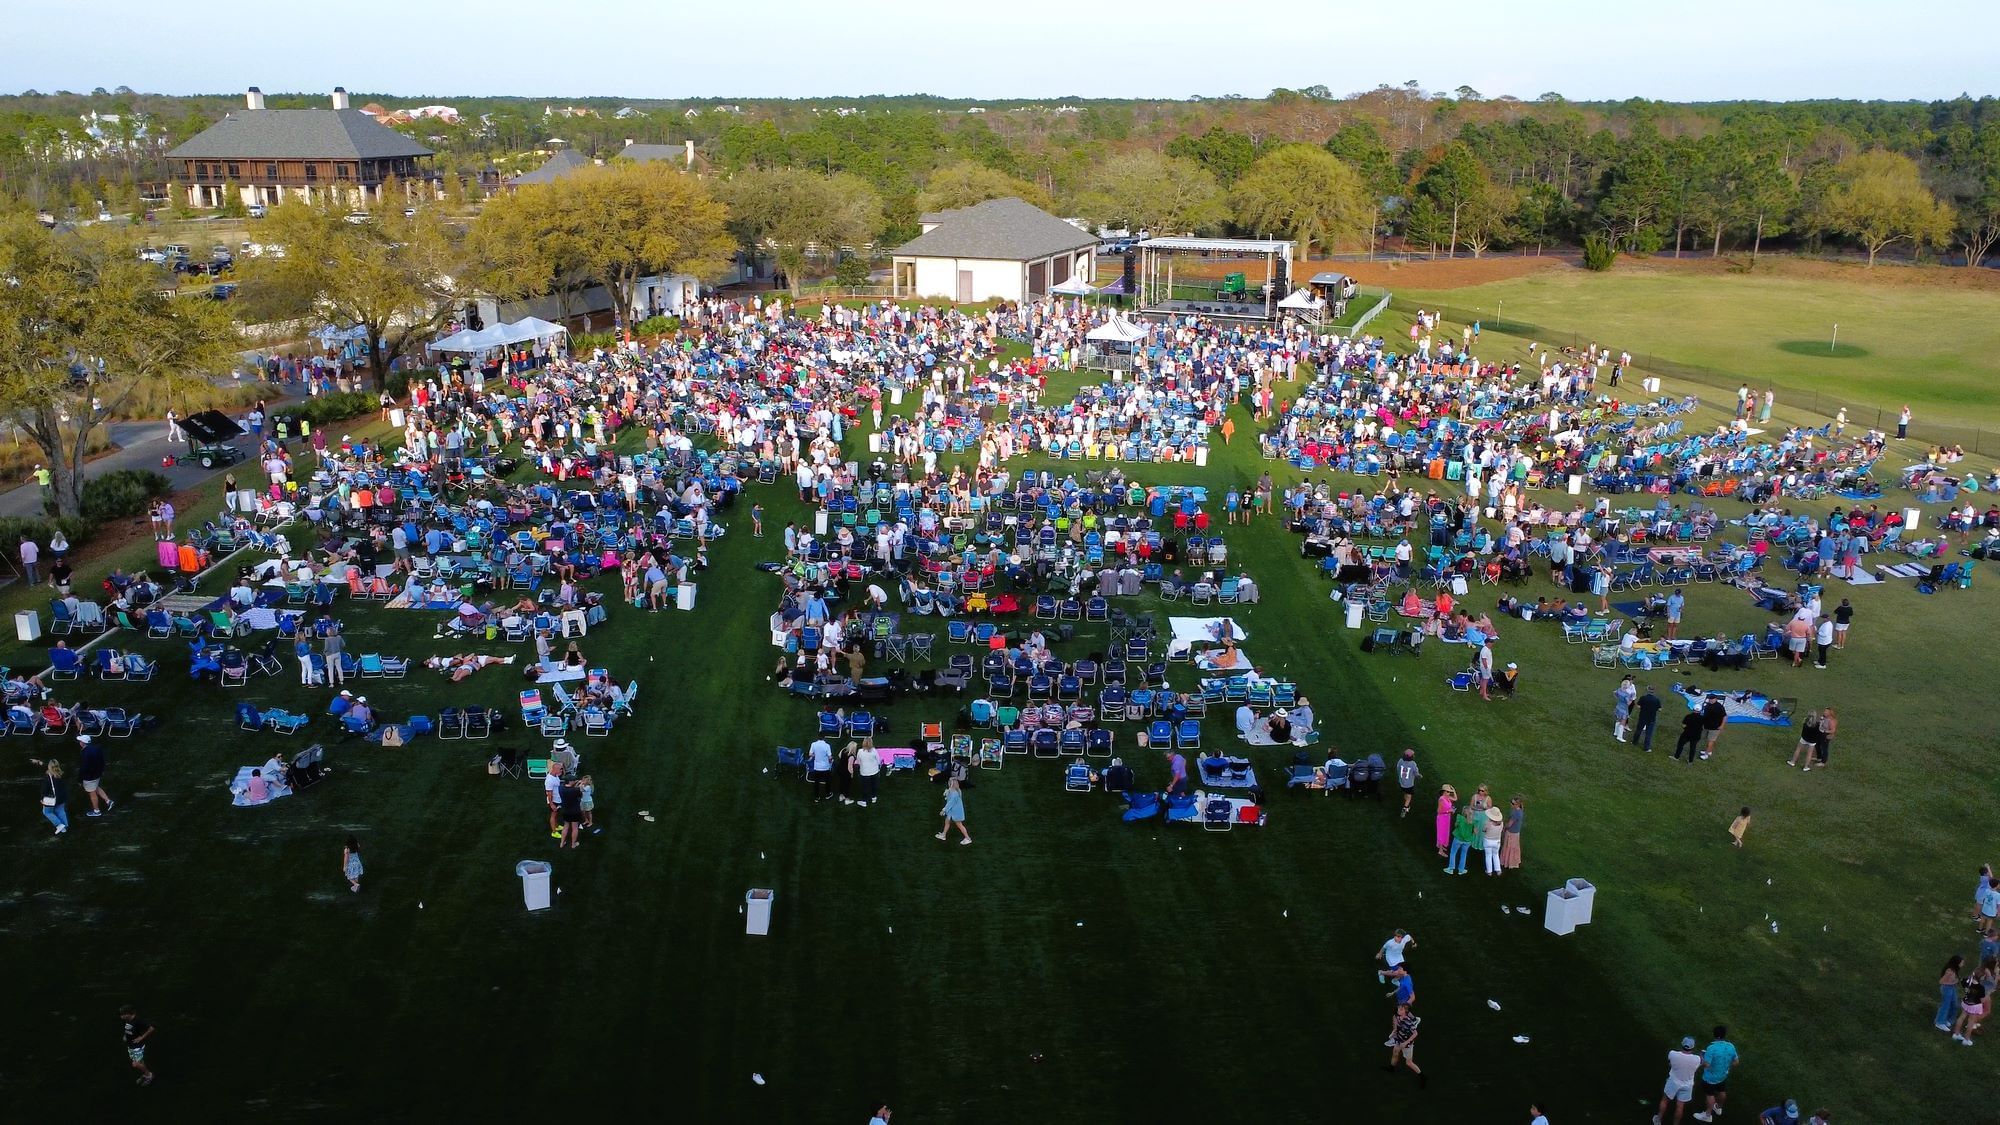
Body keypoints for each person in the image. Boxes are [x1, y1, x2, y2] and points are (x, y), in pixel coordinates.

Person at [1691, 1025, 1738, 1121]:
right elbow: (1736, 1062)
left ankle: (1707, 1115)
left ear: (1714, 1034)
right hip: (1723, 1075)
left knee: (1710, 1095)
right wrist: (1726, 1066)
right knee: (1722, 1091)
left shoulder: (1711, 1048)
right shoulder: (1731, 1046)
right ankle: (1719, 1108)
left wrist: (1701, 1056)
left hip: (1710, 1077)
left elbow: (1707, 1064)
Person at [1655, 1035, 1703, 1125]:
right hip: (1687, 1085)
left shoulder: (1672, 1054)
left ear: (1682, 1044)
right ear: (1693, 1047)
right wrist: (1701, 1056)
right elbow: (1700, 1063)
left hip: (1673, 1082)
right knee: (1680, 1106)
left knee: (1665, 1100)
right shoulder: (1697, 1059)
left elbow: (1670, 1064)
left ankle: (1658, 1119)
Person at [1383, 1002, 1423, 1085]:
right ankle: (1391, 1068)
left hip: (1407, 1044)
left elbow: (1415, 1034)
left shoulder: (1408, 1022)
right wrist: (1392, 1034)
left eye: (1401, 1009)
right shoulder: (1398, 1017)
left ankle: (1422, 1077)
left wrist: (1405, 1043)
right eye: (1398, 1008)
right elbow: (1397, 1028)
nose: (1398, 1010)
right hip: (1399, 1040)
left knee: (1409, 1063)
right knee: (1395, 1053)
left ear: (1405, 1011)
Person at [76, 734, 116, 816]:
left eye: (80, 741)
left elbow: (84, 767)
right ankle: (108, 801)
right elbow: (102, 761)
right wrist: (102, 771)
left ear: (83, 743)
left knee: (92, 793)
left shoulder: (85, 753)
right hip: (97, 774)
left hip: (89, 777)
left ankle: (96, 811)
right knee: (96, 787)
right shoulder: (97, 748)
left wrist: (80, 780)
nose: (79, 742)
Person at [119, 1006, 156, 1086]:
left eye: (123, 1014)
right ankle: (145, 1075)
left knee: (135, 1064)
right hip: (131, 1046)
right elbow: (128, 1028)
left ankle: (149, 1075)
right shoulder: (128, 1020)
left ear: (129, 1014)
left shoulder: (139, 1021)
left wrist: (141, 1037)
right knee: (141, 1062)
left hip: (137, 1046)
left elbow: (151, 1028)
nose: (121, 1017)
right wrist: (126, 1035)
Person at [37, 758, 69, 835]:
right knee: (60, 811)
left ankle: (59, 825)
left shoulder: (48, 777)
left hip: (52, 798)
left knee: (47, 812)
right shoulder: (62, 773)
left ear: (49, 767)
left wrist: (42, 798)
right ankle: (64, 827)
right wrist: (40, 762)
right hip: (62, 797)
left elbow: (44, 789)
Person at [1952, 971, 1986, 1045]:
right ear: (1981, 978)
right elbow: (1982, 1000)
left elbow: (1962, 981)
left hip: (1965, 1003)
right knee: (1971, 1022)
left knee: (1961, 1017)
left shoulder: (1967, 982)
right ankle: (1966, 1039)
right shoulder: (1981, 988)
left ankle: (1956, 1034)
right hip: (1974, 1006)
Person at [935, 776, 970, 845]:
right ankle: (943, 835)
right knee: (947, 821)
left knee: (959, 825)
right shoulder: (954, 790)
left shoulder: (955, 794)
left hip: (955, 812)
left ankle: (968, 838)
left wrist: (943, 810)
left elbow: (950, 804)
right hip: (952, 812)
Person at [1446, 802, 1479, 875]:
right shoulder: (1473, 821)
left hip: (1458, 839)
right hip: (1468, 841)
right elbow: (1476, 832)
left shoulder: (1460, 818)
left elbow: (1455, 826)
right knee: (1464, 854)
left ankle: (1451, 869)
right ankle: (1461, 870)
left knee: (1453, 852)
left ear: (1463, 812)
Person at [1938, 954, 1965, 1032]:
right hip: (1946, 989)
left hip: (1952, 989)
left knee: (1954, 1004)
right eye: (1961, 963)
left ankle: (1948, 1020)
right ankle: (1940, 1022)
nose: (1963, 964)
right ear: (1956, 963)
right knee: (1945, 1005)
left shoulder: (1955, 970)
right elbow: (1941, 982)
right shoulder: (1949, 971)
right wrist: (1953, 983)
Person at [1633, 685, 1663, 753]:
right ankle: (1646, 748)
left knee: (1639, 730)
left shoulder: (1643, 698)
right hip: (1651, 718)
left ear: (1647, 690)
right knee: (1648, 734)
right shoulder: (1656, 700)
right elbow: (1660, 709)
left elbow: (1638, 706)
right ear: (1654, 691)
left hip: (1642, 717)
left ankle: (1634, 742)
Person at [1482, 803, 1506, 875]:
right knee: (1495, 855)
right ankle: (1498, 870)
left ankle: (1489, 871)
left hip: (1488, 841)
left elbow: (1484, 830)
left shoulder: (1488, 823)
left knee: (1488, 855)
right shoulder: (1501, 823)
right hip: (1497, 841)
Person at [1501, 796, 1525, 870]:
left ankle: (1507, 861)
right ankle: (1513, 861)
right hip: (1516, 833)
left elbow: (1509, 824)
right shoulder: (1520, 811)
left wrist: (1504, 827)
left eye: (1512, 803)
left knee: (1508, 847)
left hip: (1511, 833)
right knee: (1514, 848)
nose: (1511, 804)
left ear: (1517, 805)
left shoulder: (1515, 814)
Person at [808, 737, 834, 802]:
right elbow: (830, 757)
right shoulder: (827, 746)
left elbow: (810, 754)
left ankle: (817, 797)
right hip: (825, 767)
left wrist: (815, 755)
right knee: (827, 781)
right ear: (824, 738)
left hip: (817, 767)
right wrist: (831, 760)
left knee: (816, 782)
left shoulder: (813, 744)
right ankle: (828, 794)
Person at [1395, 749, 1420, 817]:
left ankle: (1407, 805)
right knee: (1409, 797)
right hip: (1409, 785)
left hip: (1401, 783)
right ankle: (1405, 808)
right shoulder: (1413, 764)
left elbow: (1398, 768)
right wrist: (1419, 775)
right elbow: (1416, 773)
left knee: (1405, 793)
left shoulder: (1400, 761)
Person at [855, 742, 882, 806]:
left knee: (865, 787)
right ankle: (874, 797)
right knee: (874, 785)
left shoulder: (860, 751)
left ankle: (864, 801)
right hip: (874, 771)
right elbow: (878, 761)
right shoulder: (874, 751)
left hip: (865, 772)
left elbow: (858, 761)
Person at [1435, 785, 1457, 858]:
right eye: (1447, 792)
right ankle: (1440, 851)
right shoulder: (1441, 799)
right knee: (1441, 833)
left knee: (1445, 833)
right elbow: (1439, 811)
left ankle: (1441, 846)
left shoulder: (1447, 798)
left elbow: (1455, 799)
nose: (1449, 793)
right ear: (1443, 792)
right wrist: (1449, 811)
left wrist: (1453, 790)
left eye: (1449, 792)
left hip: (1447, 818)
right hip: (1442, 818)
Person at [1613, 675, 1637, 742]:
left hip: (1618, 706)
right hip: (1623, 709)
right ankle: (1619, 736)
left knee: (1618, 719)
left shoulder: (1619, 690)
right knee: (1622, 722)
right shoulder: (1626, 694)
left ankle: (1615, 732)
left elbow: (1614, 693)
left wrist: (1618, 698)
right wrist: (1632, 699)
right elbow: (1628, 703)